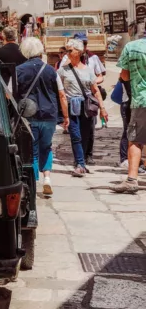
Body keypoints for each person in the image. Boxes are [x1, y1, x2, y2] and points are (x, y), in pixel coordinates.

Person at [16, 37, 69, 198]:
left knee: (31, 150)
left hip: (29, 117)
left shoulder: (18, 70)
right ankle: (47, 178)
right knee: (46, 146)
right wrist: (65, 116)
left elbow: (10, 93)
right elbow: (61, 94)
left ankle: (33, 182)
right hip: (49, 115)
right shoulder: (51, 70)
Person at [58, 39, 108, 176]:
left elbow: (95, 90)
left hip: (86, 106)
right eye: (66, 50)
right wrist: (63, 113)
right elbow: (59, 92)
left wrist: (102, 109)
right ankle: (79, 163)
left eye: (70, 50)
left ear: (79, 52)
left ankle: (82, 162)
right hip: (71, 105)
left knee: (85, 135)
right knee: (76, 136)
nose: (67, 53)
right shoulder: (62, 71)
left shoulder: (88, 71)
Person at [114, 29, 146, 193]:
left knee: (135, 139)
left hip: (140, 100)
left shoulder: (131, 47)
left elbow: (124, 76)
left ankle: (132, 179)